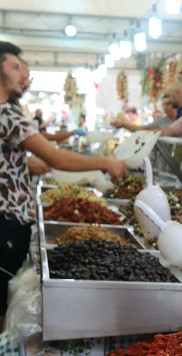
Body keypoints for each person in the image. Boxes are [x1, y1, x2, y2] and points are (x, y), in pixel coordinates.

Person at [0, 42, 127, 330]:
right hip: (8, 222)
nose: (24, 75)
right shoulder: (6, 113)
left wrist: (24, 163)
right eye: (15, 66)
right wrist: (105, 163)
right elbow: (57, 159)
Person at [113, 94, 178, 132]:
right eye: (164, 104)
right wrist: (123, 125)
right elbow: (142, 129)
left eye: (168, 104)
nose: (165, 107)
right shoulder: (161, 120)